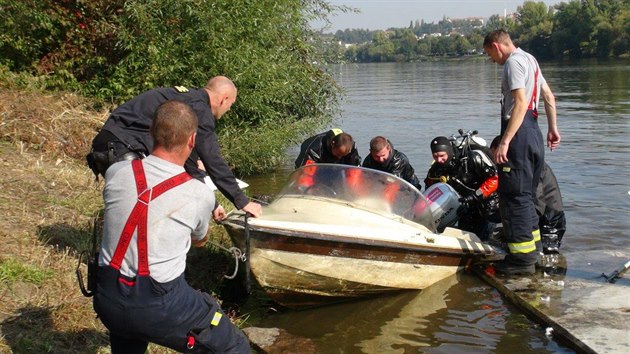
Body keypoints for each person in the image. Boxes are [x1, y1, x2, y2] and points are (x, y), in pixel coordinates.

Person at [93, 100, 251, 353]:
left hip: (108, 298)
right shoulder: (200, 194)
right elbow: (200, 240)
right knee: (234, 345)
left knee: (128, 333)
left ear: (150, 131)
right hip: (161, 304)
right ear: (192, 140)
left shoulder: (117, 171)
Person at [86, 76, 262, 218]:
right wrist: (242, 202)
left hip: (111, 144)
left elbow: (189, 164)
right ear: (224, 99)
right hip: (121, 147)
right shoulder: (200, 110)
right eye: (231, 104)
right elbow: (212, 158)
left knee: (148, 206)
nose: (229, 109)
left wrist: (212, 205)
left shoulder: (188, 101)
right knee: (147, 207)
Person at [483, 29, 561, 275]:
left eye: (489, 54)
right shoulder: (531, 59)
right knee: (527, 195)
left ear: (497, 46)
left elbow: (520, 102)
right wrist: (552, 129)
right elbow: (549, 96)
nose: (491, 60)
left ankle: (521, 260)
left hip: (519, 133)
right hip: (534, 133)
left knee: (514, 195)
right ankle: (533, 250)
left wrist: (505, 140)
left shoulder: (513, 63)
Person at [490, 135, 566, 254]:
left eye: (496, 156)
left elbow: (537, 202)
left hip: (549, 220)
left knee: (545, 257)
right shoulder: (517, 164)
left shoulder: (530, 166)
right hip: (534, 213)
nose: (495, 161)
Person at [424, 136, 499, 240]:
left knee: (484, 238)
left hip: (487, 203)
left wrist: (477, 195)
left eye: (442, 156)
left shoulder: (472, 158)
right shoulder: (435, 170)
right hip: (464, 207)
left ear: (449, 152)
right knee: (466, 239)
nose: (439, 160)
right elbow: (429, 192)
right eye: (435, 156)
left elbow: (494, 179)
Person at [294, 128, 361, 168]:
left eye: (343, 156)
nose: (339, 158)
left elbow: (355, 171)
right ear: (333, 144)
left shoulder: (351, 148)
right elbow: (305, 176)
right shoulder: (312, 150)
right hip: (315, 171)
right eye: (338, 154)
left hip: (338, 171)